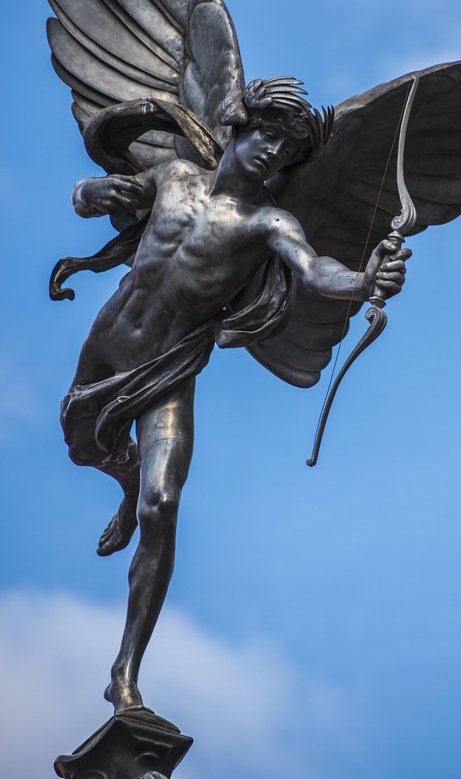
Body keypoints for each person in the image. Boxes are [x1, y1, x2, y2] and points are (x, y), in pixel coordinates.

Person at [61, 97, 408, 713]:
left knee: (162, 505)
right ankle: (124, 484)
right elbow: (99, 195)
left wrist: (361, 281)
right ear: (240, 128)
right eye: (269, 135)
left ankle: (124, 674)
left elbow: (313, 268)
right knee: (86, 450)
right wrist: (89, 191)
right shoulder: (173, 177)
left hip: (168, 369)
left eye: (290, 149)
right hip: (107, 346)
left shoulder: (267, 224)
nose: (275, 153)